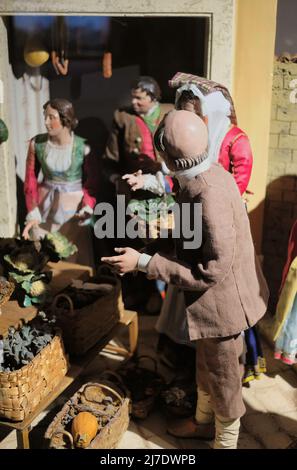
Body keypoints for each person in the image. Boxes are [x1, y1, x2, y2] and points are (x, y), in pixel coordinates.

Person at [101, 110, 269, 449]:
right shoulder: (205, 176)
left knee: (225, 379)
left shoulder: (207, 193)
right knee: (206, 368)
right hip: (212, 309)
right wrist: (153, 243)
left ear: (170, 156)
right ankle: (204, 422)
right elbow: (193, 235)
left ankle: (225, 442)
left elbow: (211, 269)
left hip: (224, 309)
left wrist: (145, 262)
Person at [124, 75, 266, 383]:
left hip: (219, 226)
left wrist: (147, 259)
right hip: (197, 224)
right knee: (188, 310)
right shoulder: (193, 154)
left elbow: (211, 260)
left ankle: (214, 393)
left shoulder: (232, 144)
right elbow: (177, 181)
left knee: (220, 333)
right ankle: (190, 368)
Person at [102, 76, 174, 312]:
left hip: (167, 192)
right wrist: (116, 179)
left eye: (139, 98)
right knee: (134, 241)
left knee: (165, 242)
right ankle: (142, 293)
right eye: (132, 96)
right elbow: (111, 159)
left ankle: (163, 296)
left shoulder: (170, 114)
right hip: (136, 195)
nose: (134, 102)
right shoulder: (122, 118)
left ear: (153, 98)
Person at [22, 98, 97, 267]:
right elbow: (30, 179)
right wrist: (32, 208)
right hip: (45, 204)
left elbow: (91, 183)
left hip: (72, 207)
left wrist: (87, 205)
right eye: (45, 117)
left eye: (52, 117)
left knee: (71, 254)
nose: (46, 122)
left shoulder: (83, 147)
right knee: (42, 252)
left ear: (65, 119)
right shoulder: (38, 144)